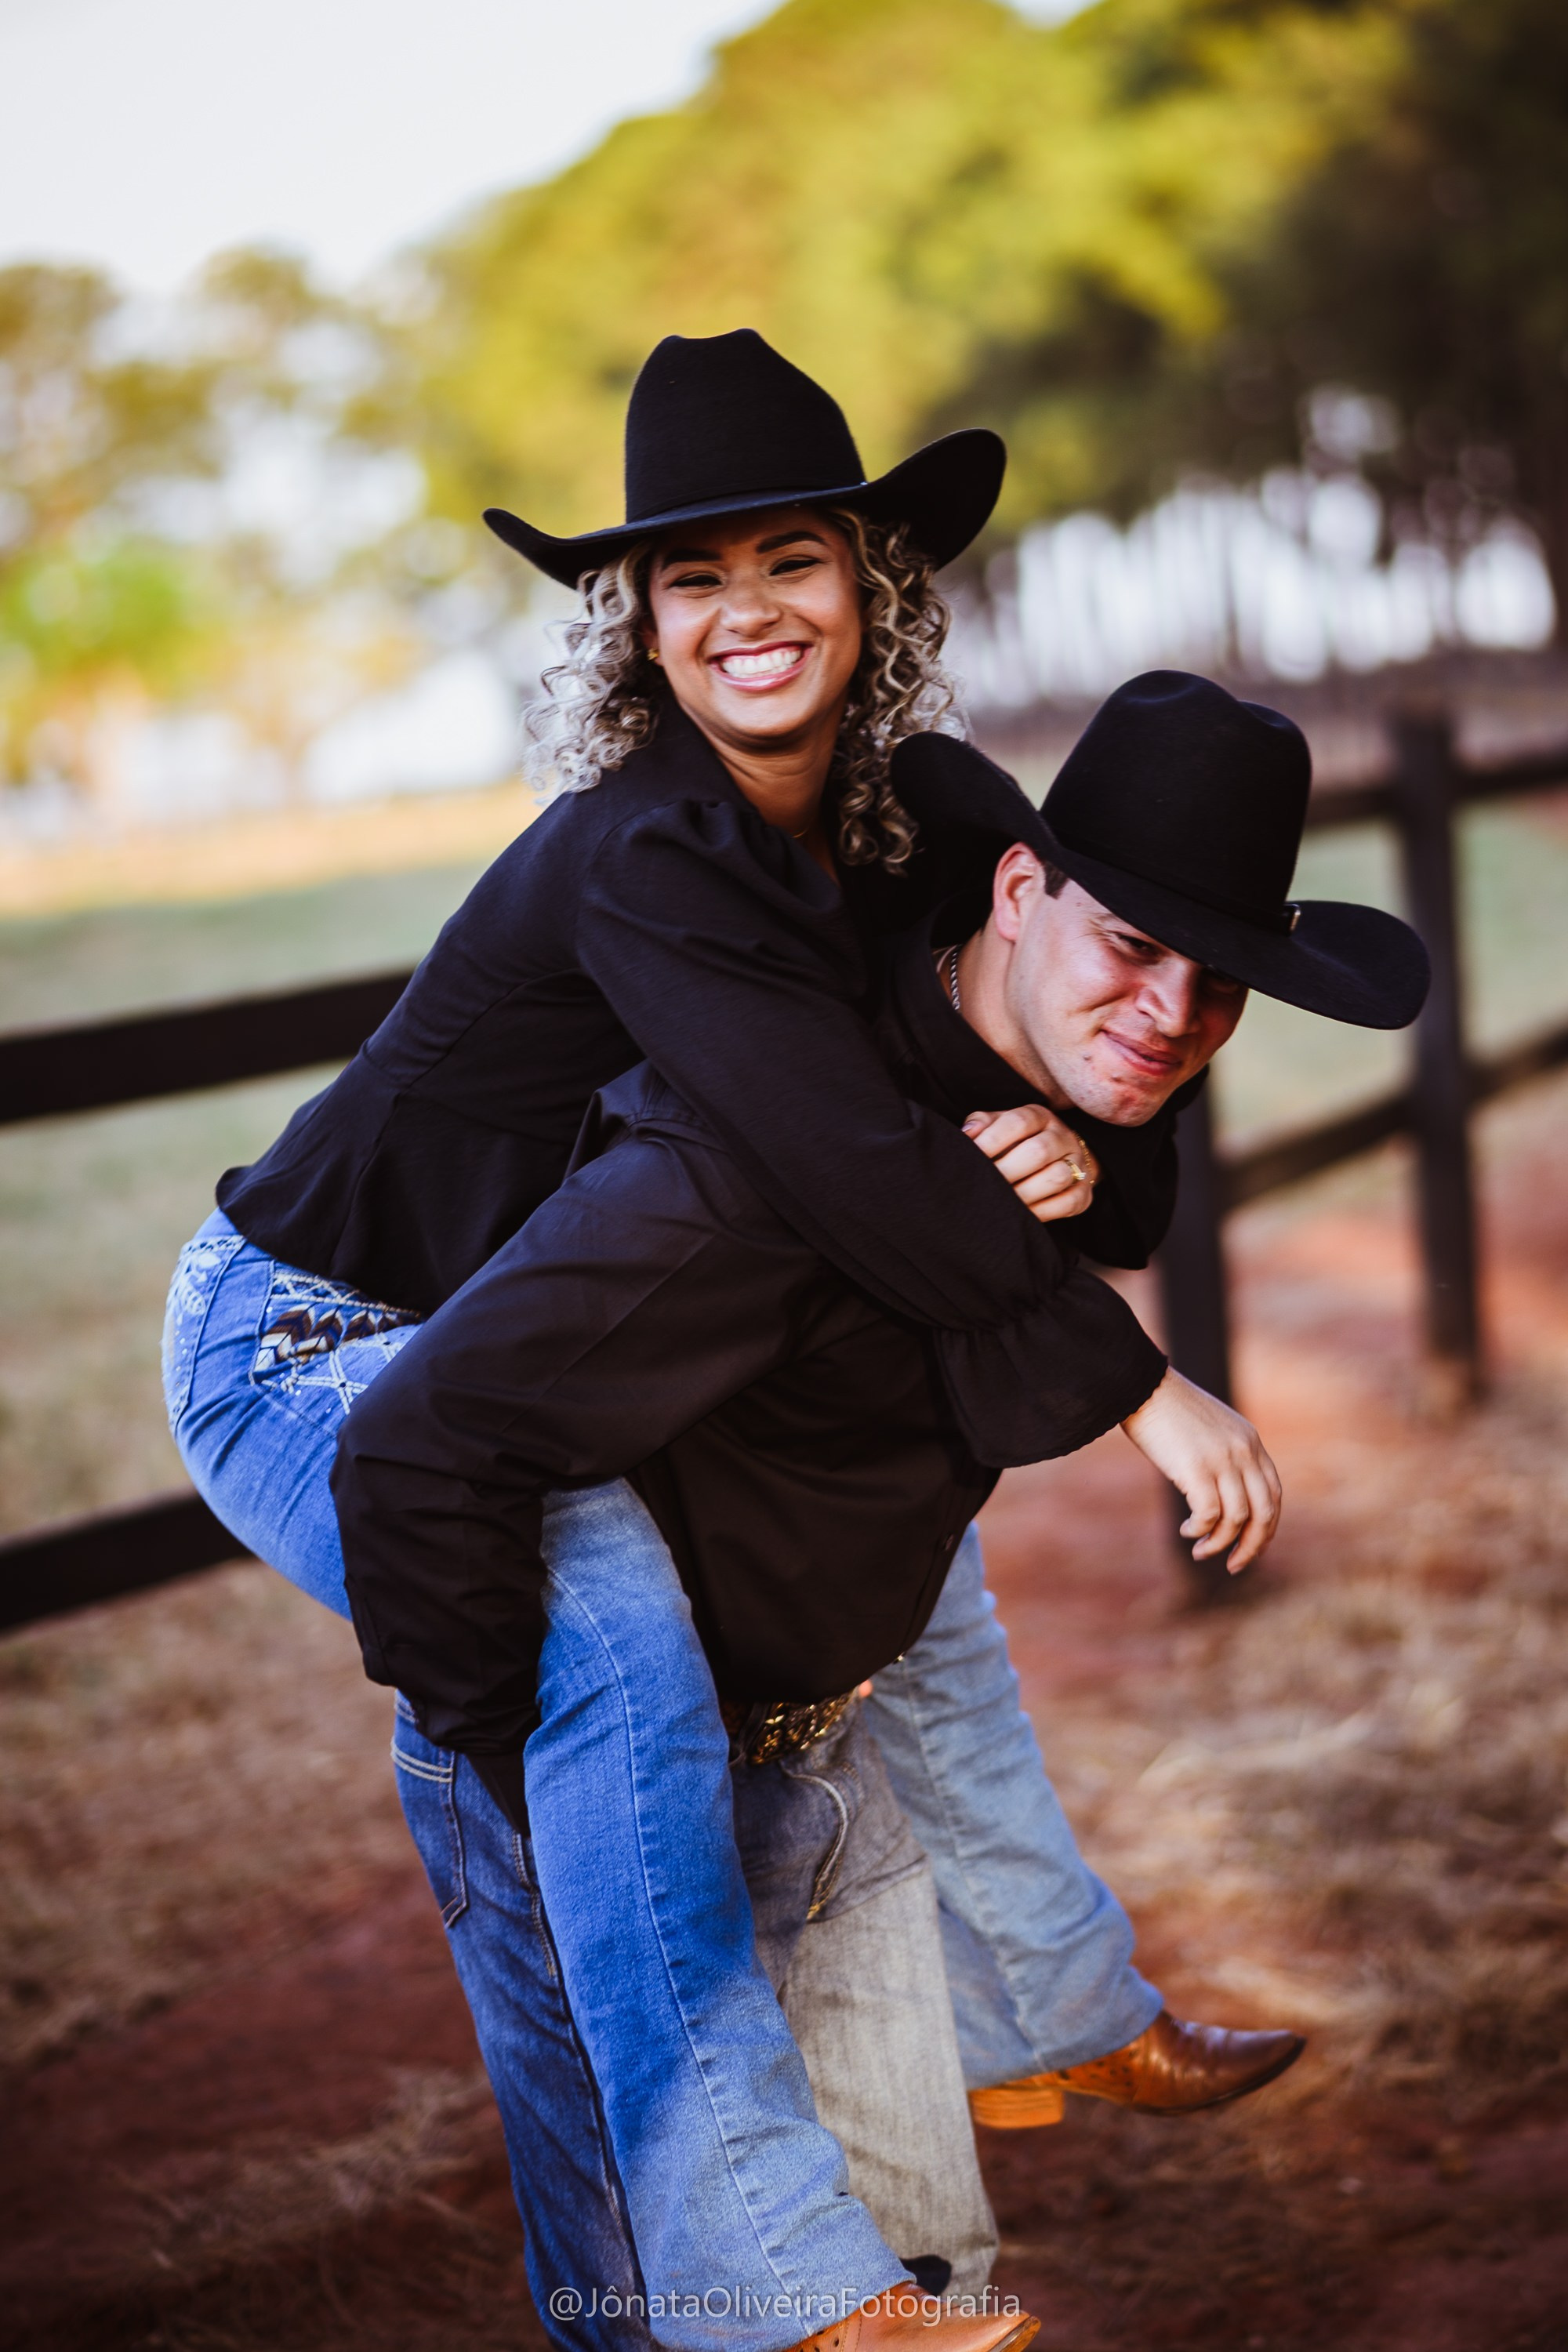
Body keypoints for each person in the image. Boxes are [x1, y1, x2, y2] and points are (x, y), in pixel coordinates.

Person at [162, 328, 1424, 2349]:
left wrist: (1085, 1158)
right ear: (640, 625)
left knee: (922, 1589)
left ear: (871, 583)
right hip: (327, 1328)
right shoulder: (650, 857)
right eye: (694, 577)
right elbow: (838, 1152)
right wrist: (1141, 1383)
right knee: (606, 1639)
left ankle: (1051, 2009)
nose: (747, 612)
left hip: (540, 1312)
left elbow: (1069, 974)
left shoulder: (910, 805)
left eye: (792, 560)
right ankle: (770, 2274)